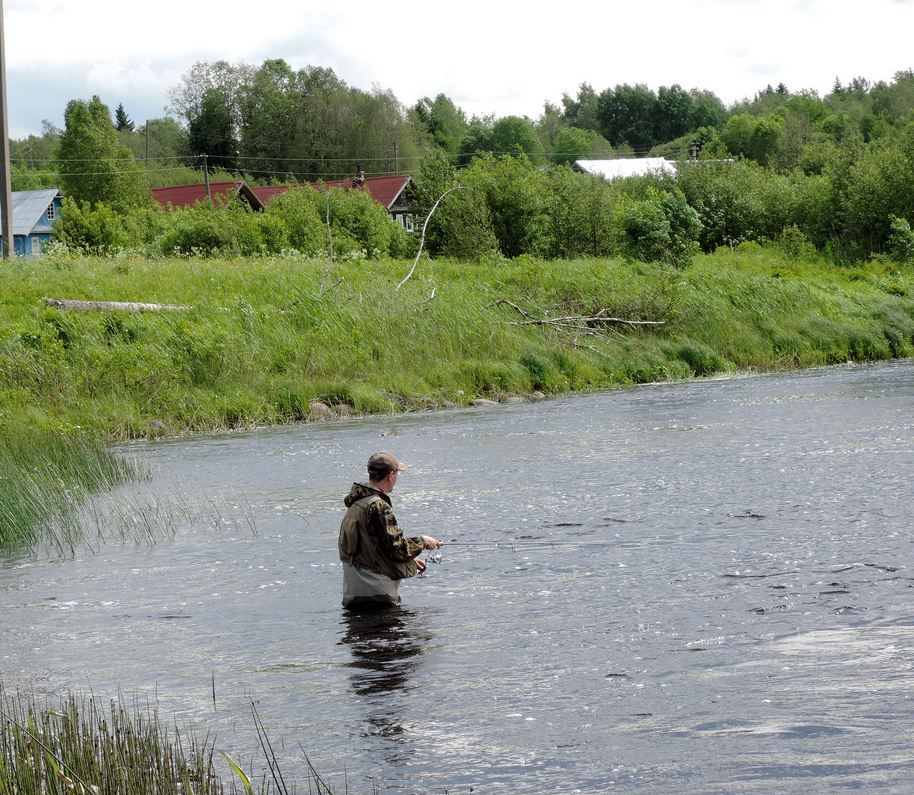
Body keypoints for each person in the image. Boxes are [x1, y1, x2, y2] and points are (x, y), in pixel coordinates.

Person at [338, 451, 440, 610]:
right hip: (378, 597)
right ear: (391, 475)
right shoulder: (378, 506)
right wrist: (423, 541)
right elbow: (396, 549)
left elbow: (370, 551)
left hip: (354, 595)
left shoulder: (355, 504)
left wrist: (409, 563)